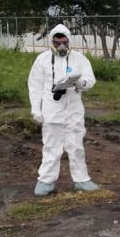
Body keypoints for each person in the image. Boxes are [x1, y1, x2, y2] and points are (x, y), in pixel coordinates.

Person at [28, 24, 98, 196]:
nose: (60, 45)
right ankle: (46, 180)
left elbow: (90, 80)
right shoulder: (42, 60)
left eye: (63, 41)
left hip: (73, 110)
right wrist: (36, 108)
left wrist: (80, 83)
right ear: (51, 40)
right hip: (51, 111)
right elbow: (34, 85)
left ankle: (82, 179)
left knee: (76, 146)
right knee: (51, 147)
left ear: (69, 41)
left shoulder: (79, 59)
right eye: (57, 41)